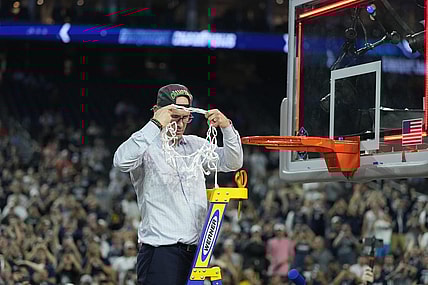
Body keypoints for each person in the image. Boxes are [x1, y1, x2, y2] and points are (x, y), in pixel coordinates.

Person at [113, 84, 243, 285]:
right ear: (159, 112)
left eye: (186, 117)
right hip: (161, 253)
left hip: (197, 254)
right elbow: (121, 161)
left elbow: (233, 162)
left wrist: (227, 127)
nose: (181, 124)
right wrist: (155, 124)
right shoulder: (146, 148)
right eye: (175, 117)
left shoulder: (195, 145)